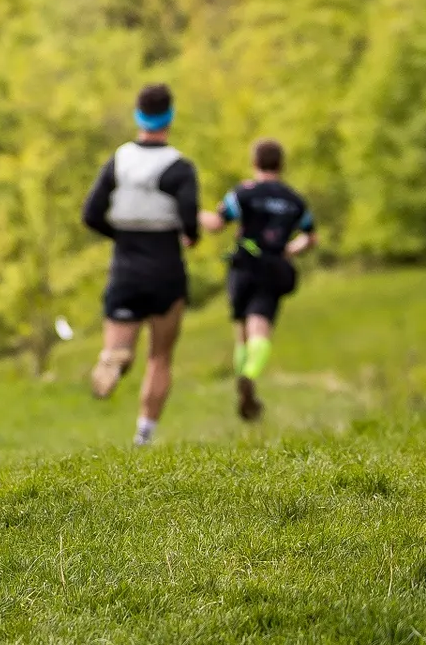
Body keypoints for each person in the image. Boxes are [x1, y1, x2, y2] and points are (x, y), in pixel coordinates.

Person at [80, 83, 200, 446]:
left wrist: (120, 234)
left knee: (121, 346)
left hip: (126, 268)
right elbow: (190, 221)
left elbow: (90, 214)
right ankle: (144, 434)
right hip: (165, 269)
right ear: (170, 117)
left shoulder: (119, 161)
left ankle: (114, 357)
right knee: (160, 356)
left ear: (138, 116)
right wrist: (189, 235)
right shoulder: (179, 167)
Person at [200, 137, 315, 423]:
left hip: (243, 265)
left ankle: (242, 378)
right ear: (281, 164)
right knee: (259, 325)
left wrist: (191, 211)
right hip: (273, 267)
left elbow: (217, 224)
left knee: (241, 327)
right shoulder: (294, 200)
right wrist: (289, 249)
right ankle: (250, 375)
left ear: (255, 163)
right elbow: (310, 237)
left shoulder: (243, 193)